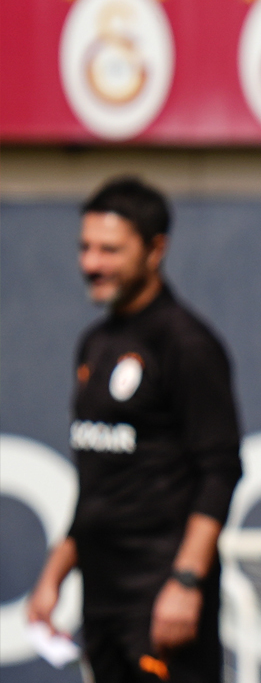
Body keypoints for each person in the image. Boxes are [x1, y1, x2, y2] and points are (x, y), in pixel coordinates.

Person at [27, 177, 243, 683]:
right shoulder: (94, 343)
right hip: (101, 599)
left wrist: (186, 581)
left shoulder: (187, 344)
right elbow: (98, 483)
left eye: (110, 250)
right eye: (85, 248)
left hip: (162, 596)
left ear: (155, 250)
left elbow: (220, 472)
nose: (91, 264)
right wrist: (54, 576)